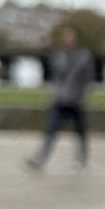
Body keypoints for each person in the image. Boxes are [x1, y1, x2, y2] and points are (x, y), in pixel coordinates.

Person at [27, 22, 94, 171]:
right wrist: (54, 92)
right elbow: (54, 76)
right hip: (60, 99)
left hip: (76, 100)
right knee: (51, 130)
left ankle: (82, 158)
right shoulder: (58, 56)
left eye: (70, 36)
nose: (68, 39)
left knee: (80, 131)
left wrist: (82, 95)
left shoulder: (83, 56)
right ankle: (41, 158)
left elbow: (88, 78)